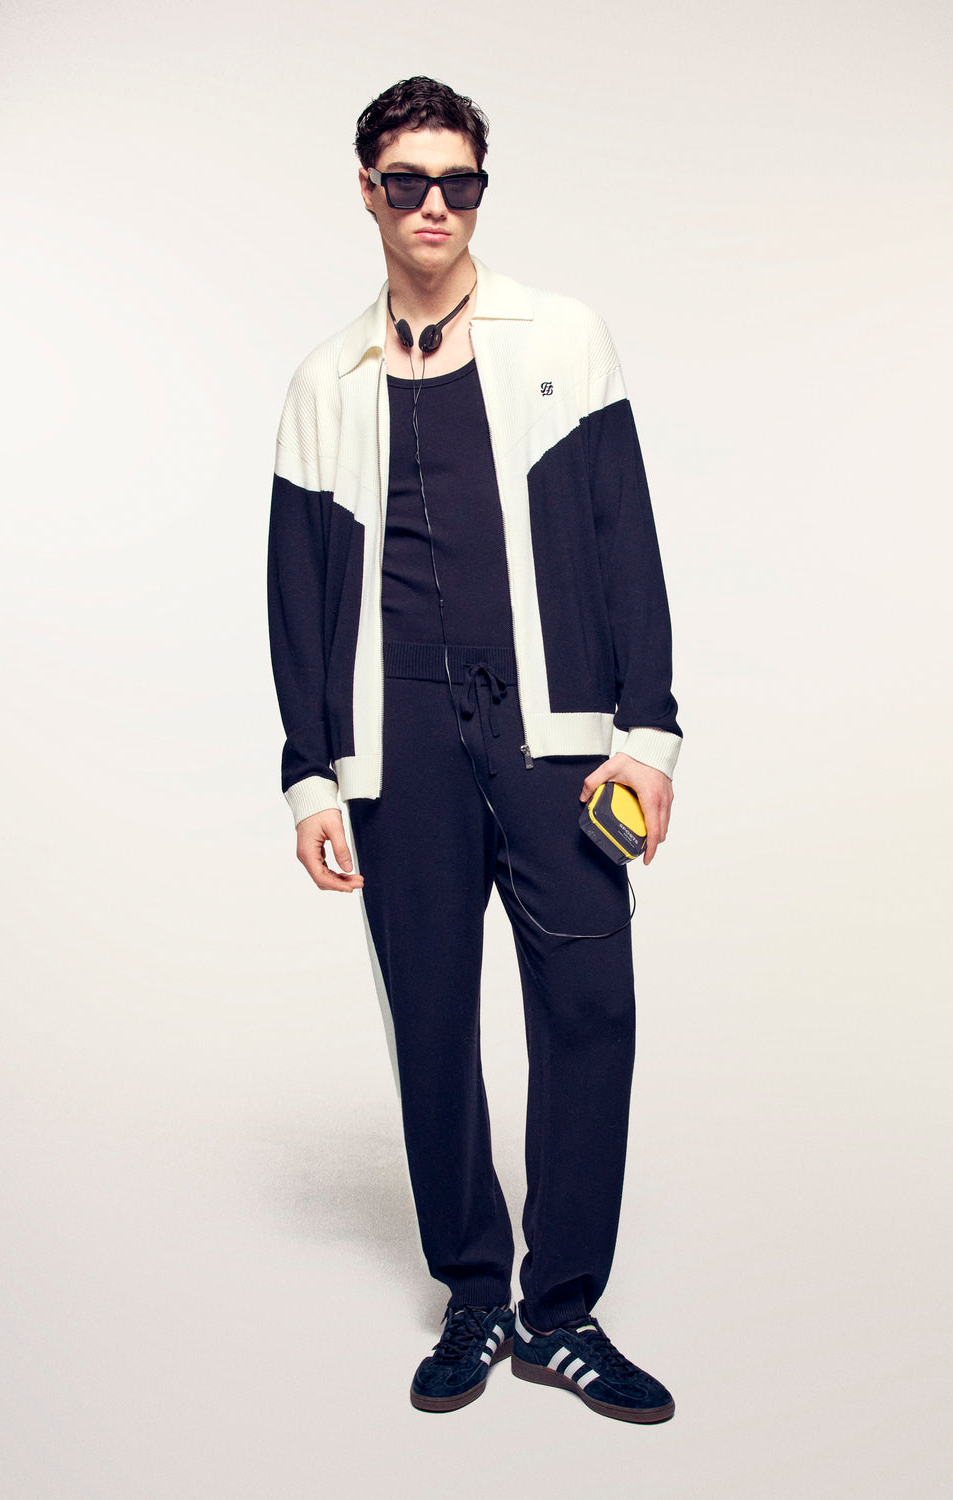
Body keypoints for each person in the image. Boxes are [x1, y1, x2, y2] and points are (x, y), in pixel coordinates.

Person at [267, 76, 681, 1424]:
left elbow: (624, 542)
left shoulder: (561, 335)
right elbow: (297, 594)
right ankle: (474, 1292)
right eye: (409, 182)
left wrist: (649, 734)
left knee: (591, 1009)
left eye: (459, 182)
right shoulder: (326, 382)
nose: (434, 205)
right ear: (369, 192)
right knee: (433, 1024)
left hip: (555, 735)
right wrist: (311, 773)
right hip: (400, 749)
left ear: (480, 193)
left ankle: (562, 1314)